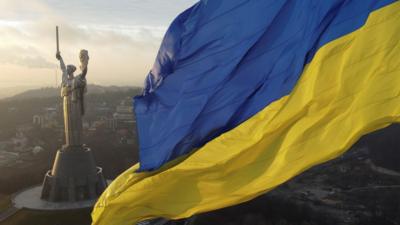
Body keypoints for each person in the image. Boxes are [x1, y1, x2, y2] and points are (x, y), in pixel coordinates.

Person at [56, 50, 89, 147]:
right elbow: (62, 69)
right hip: (66, 103)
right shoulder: (65, 80)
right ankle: (69, 143)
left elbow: (84, 72)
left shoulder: (77, 79)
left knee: (76, 122)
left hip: (75, 104)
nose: (67, 70)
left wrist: (84, 61)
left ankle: (77, 143)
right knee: (68, 124)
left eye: (68, 69)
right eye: (67, 69)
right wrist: (60, 58)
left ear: (72, 70)